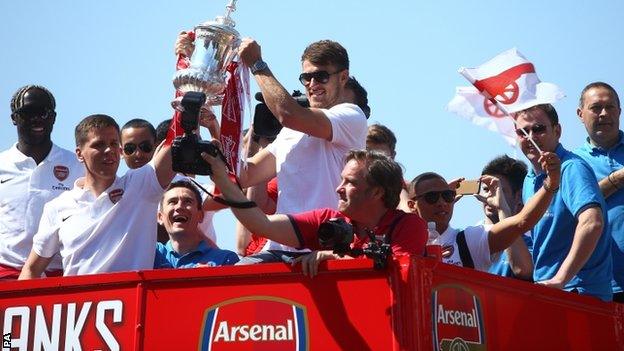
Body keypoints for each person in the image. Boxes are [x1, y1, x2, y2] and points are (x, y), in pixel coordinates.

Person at [202, 37, 366, 263]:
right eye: (306, 77)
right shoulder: (290, 131)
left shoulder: (351, 115)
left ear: (343, 77)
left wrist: (257, 64)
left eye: (321, 76)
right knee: (228, 284)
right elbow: (246, 175)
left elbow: (287, 114)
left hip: (325, 247)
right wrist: (216, 139)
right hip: (281, 247)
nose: (312, 84)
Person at [202, 149, 428, 276]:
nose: (338, 188)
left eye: (349, 182)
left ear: (377, 192)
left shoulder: (409, 226)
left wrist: (335, 258)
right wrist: (223, 178)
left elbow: (396, 272)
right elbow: (261, 225)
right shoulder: (328, 220)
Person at [18, 114, 176, 278]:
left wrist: (186, 102)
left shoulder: (140, 185)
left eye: (114, 144)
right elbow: (31, 269)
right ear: (79, 154)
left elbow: (175, 146)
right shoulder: (57, 207)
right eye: (99, 145)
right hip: (78, 302)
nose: (109, 150)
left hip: (133, 300)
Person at [514, 103, 612, 301]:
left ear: (557, 131)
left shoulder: (571, 167)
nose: (531, 137)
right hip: (550, 291)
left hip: (579, 292)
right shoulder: (529, 179)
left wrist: (560, 279)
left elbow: (592, 222)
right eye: (523, 132)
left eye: (539, 129)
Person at [407, 150, 559, 274]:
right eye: (431, 197)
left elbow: (521, 222)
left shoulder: (468, 240)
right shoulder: (400, 239)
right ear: (412, 205)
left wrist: (550, 184)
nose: (441, 203)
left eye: (447, 196)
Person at [0, 85, 83, 280]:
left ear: (53, 118)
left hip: (59, 274)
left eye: (44, 113)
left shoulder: (77, 165)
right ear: (14, 118)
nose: (37, 118)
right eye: (28, 112)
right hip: (7, 273)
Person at [573, 82, 624, 302]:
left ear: (620, 111)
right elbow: (567, 210)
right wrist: (616, 180)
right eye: (595, 108)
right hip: (600, 286)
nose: (604, 114)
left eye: (610, 107)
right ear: (580, 114)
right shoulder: (571, 163)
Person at [154, 180, 238, 268]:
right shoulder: (152, 254)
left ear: (200, 215)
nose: (179, 207)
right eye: (172, 202)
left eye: (188, 201)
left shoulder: (225, 260)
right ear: (160, 217)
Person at [482, 155, 533, 280]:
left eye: (498, 190)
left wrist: (503, 211)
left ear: (518, 196)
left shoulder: (533, 243)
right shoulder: (465, 237)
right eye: (485, 189)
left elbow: (523, 270)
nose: (490, 196)